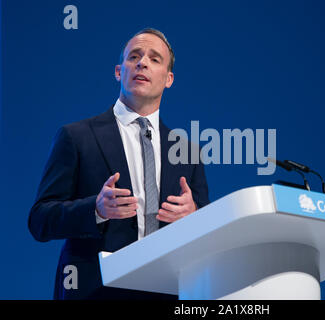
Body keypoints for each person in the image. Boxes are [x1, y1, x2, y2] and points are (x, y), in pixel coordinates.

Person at [28, 28, 210, 300]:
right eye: (134, 56)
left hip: (168, 291)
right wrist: (96, 209)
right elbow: (40, 220)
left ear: (168, 79)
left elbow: (209, 232)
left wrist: (195, 215)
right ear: (118, 71)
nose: (142, 63)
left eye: (154, 59)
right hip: (94, 292)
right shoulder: (77, 137)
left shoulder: (187, 152)